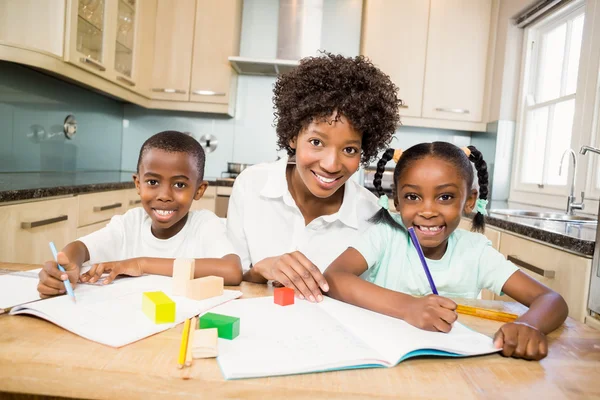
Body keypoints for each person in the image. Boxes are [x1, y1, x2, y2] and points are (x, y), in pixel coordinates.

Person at [324, 142, 568, 360]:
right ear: (396, 201)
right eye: (412, 197)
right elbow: (335, 277)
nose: (428, 211)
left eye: (445, 197)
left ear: (470, 200)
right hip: (387, 360)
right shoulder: (385, 236)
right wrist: (409, 307)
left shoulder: (476, 252)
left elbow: (551, 300)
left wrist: (530, 325)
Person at [227, 52, 401, 303]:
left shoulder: (372, 217)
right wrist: (260, 269)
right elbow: (232, 283)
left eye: (349, 149)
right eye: (316, 142)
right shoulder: (251, 185)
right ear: (292, 136)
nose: (331, 165)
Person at [37, 130, 243, 297]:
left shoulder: (204, 224)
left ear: (199, 190)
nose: (164, 195)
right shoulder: (129, 224)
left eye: (179, 184)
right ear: (138, 183)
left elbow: (232, 271)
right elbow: (79, 248)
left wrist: (141, 263)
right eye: (153, 182)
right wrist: (68, 268)